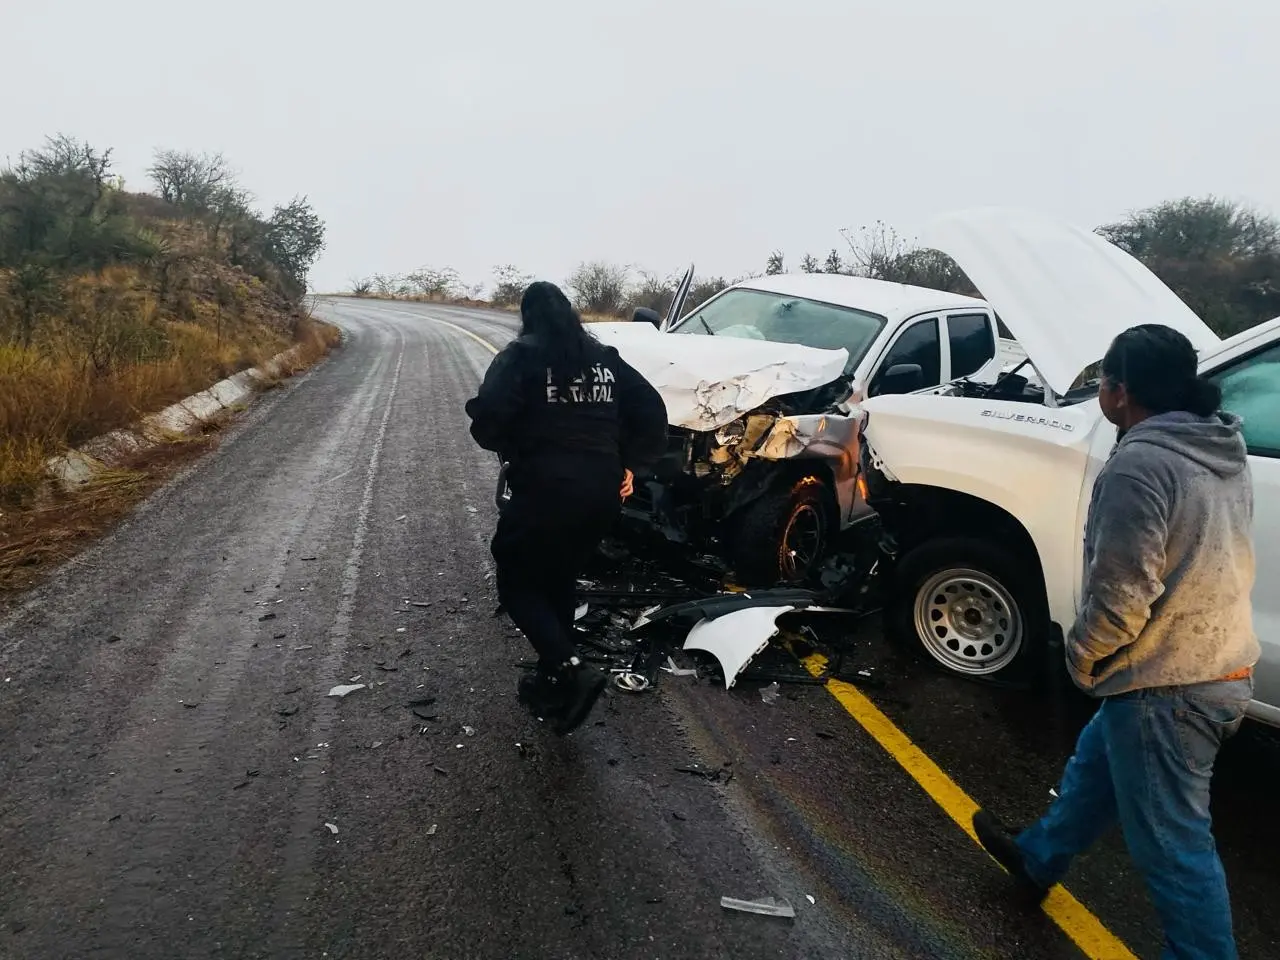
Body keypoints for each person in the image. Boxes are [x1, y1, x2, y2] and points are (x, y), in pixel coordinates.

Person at [972, 324, 1258, 959]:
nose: (1100, 391)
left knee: (1174, 847)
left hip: (1168, 683)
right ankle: (1038, 857)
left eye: (1102, 381)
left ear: (1120, 392)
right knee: (1095, 766)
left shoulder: (1139, 465)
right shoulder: (1219, 446)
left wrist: (1080, 658)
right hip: (1216, 661)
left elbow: (1123, 594)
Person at [465, 281, 667, 735]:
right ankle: (552, 677)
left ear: (528, 316)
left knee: (516, 578)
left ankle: (571, 667)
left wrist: (511, 441)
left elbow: (489, 421)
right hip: (601, 491)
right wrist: (634, 463)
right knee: (558, 578)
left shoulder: (521, 356)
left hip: (545, 486)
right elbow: (652, 409)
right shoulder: (605, 360)